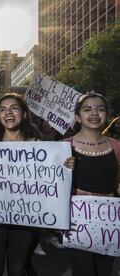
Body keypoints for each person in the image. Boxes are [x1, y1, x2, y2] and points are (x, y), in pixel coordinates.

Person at [0, 93, 73, 276]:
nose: (8, 113)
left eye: (14, 108)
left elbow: (49, 176)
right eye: (3, 109)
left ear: (24, 114)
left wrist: (65, 165)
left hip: (26, 215)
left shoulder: (36, 144)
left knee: (17, 267)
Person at [66, 92, 120, 276]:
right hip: (77, 223)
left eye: (100, 109)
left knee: (105, 270)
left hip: (109, 222)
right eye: (87, 109)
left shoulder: (117, 146)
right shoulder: (63, 146)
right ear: (77, 117)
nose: (95, 113)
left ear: (106, 115)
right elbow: (53, 189)